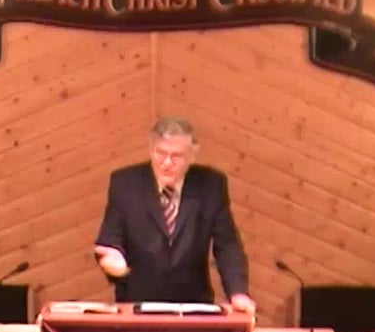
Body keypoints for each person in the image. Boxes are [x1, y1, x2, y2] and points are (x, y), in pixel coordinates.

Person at [93, 117, 256, 312]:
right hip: (137, 304)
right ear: (151, 150)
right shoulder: (126, 183)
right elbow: (109, 241)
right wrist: (112, 257)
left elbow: (227, 245)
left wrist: (238, 292)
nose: (167, 163)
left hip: (193, 306)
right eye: (160, 153)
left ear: (192, 155)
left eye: (176, 156)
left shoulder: (210, 185)